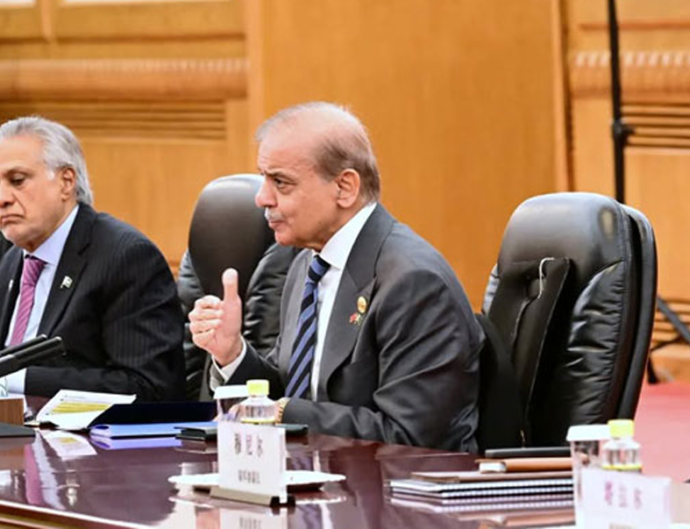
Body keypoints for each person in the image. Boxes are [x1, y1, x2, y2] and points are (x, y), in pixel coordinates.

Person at [189, 102, 480, 452]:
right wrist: (233, 353)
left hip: (394, 484)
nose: (262, 198)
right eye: (263, 178)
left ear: (345, 188)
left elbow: (410, 437)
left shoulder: (413, 282)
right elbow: (289, 391)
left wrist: (282, 414)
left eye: (280, 182)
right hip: (309, 477)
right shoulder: (306, 264)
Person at [0, 117, 184, 399]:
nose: (2, 198)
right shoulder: (10, 259)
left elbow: (148, 386)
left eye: (17, 181)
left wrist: (17, 379)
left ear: (66, 182)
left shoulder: (126, 257)